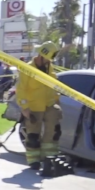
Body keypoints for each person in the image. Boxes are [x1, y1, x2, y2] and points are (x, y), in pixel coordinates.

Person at [17, 41, 62, 171]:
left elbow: (54, 85)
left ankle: (50, 158)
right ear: (41, 56)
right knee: (33, 136)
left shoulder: (49, 67)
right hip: (34, 106)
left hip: (49, 104)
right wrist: (24, 107)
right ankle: (33, 161)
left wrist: (56, 100)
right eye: (48, 59)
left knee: (53, 133)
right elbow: (21, 89)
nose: (49, 62)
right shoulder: (27, 69)